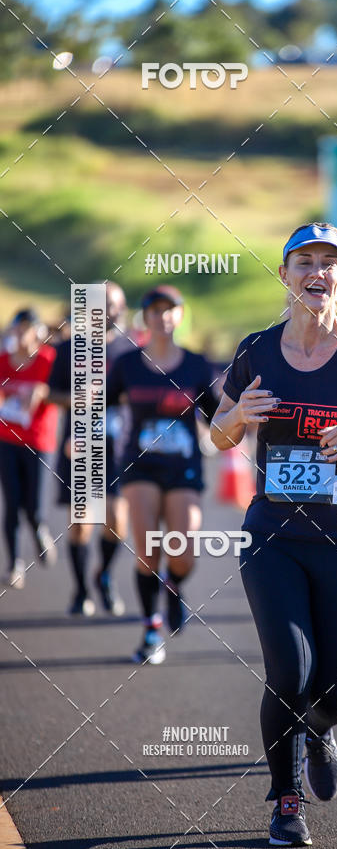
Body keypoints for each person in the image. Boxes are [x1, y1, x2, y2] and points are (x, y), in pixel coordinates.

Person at [210, 222, 337, 847]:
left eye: (331, 262)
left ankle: (320, 729)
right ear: (285, 274)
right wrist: (236, 418)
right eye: (304, 260)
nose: (317, 272)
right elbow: (219, 430)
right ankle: (285, 800)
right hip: (272, 536)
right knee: (289, 672)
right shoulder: (257, 349)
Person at [106, 284, 219, 664]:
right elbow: (101, 406)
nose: (163, 316)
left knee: (183, 554)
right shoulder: (127, 365)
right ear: (146, 317)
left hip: (184, 468)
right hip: (140, 467)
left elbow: (220, 417)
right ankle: (151, 629)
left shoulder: (196, 365)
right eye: (155, 310)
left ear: (180, 316)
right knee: (148, 550)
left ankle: (174, 584)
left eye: (170, 309)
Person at [48, 282, 135, 616]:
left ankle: (104, 576)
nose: (109, 311)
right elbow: (50, 392)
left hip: (119, 448)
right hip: (81, 444)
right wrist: (76, 399)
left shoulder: (130, 352)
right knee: (83, 523)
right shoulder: (70, 348)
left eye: (115, 304)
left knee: (117, 521)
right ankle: (81, 589)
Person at [0, 309, 59, 588]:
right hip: (6, 439)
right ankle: (14, 564)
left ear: (38, 331)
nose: (22, 334)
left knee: (33, 507)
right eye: (18, 328)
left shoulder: (48, 360)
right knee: (12, 503)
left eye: (28, 328)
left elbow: (60, 391)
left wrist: (42, 392)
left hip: (38, 441)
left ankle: (39, 528)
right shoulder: (3, 362)